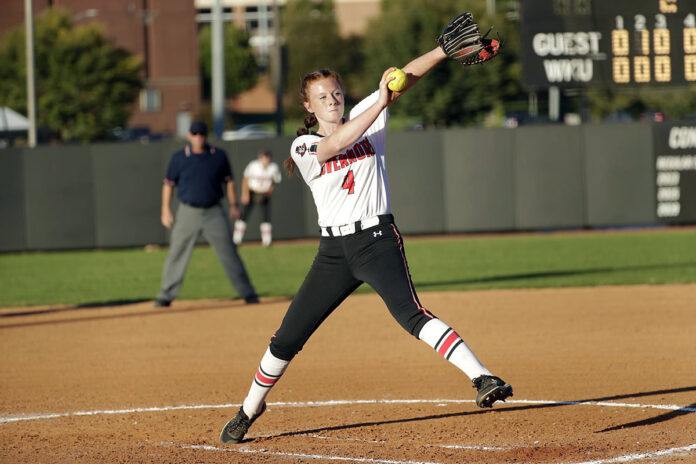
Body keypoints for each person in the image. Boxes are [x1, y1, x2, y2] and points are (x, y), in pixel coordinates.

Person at [220, 44, 512, 445]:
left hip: (376, 241)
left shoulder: (366, 116)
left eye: (336, 93)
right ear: (308, 104)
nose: (332, 100)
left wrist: (443, 51)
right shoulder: (302, 147)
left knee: (412, 315)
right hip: (333, 254)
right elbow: (336, 145)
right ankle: (249, 409)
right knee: (288, 337)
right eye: (322, 97)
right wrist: (381, 101)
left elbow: (405, 75)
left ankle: (482, 376)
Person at [155, 120, 259, 307]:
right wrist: (165, 209)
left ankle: (247, 292)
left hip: (213, 211)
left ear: (206, 136)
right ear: (189, 136)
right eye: (194, 134)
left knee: (229, 252)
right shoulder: (179, 158)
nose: (198, 138)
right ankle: (166, 295)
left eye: (201, 134)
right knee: (177, 253)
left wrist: (234, 204)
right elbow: (168, 184)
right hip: (188, 211)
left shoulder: (218, 156)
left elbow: (229, 181)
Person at [233, 149, 282, 247]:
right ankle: (236, 239)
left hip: (264, 194)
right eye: (263, 157)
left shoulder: (273, 167)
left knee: (265, 217)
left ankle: (267, 241)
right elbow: (245, 179)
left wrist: (270, 191)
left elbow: (275, 180)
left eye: (267, 157)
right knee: (243, 215)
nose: (265, 159)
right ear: (260, 158)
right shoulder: (254, 165)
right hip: (252, 192)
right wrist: (245, 193)